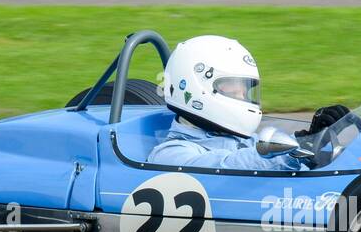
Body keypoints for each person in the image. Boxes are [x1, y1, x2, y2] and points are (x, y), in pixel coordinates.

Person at [147, 34, 349, 170]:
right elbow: (228, 165)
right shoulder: (171, 153)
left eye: (246, 86)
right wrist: (298, 148)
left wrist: (311, 137)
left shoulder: (240, 138)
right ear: (195, 86)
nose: (242, 92)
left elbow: (263, 147)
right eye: (232, 84)